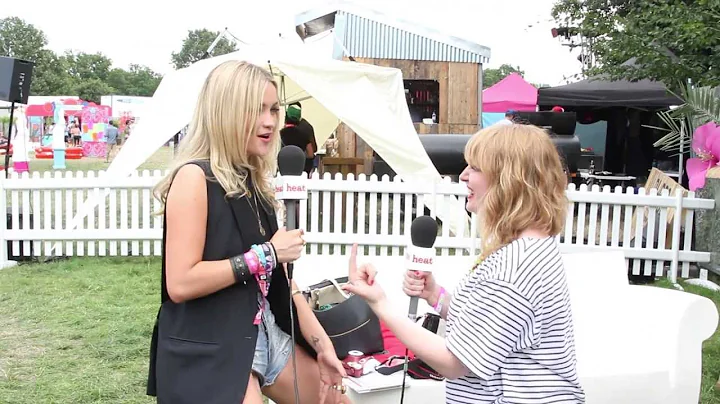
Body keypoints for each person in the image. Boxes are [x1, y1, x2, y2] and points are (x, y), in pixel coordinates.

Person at [146, 60, 351, 404]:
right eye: (256, 110)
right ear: (226, 113)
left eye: (273, 109)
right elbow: (180, 283)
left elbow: (285, 280)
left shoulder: (255, 183)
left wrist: (321, 343)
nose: (270, 121)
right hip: (213, 344)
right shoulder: (194, 178)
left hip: (267, 334)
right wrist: (266, 255)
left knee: (337, 401)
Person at [343, 124, 586, 403]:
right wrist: (435, 296)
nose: (463, 176)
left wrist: (380, 304)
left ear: (510, 179)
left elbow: (454, 362)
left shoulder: (513, 268)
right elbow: (492, 327)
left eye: (475, 168)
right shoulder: (531, 248)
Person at [280, 102, 316, 174]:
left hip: (282, 172)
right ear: (299, 119)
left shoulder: (279, 135)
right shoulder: (304, 135)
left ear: (286, 116)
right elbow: (311, 154)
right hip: (300, 172)